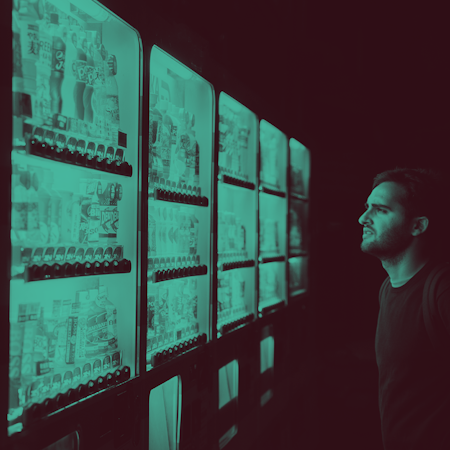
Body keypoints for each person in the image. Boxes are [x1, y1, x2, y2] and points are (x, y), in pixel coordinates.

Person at [358, 167, 450, 449]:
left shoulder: (441, 290)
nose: (363, 218)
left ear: (417, 226)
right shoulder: (387, 288)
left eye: (380, 210)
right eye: (367, 208)